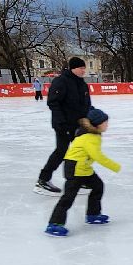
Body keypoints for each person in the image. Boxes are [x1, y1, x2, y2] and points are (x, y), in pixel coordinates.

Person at [45, 108, 120, 236]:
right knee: (68, 197)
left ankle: (93, 214)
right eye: (105, 122)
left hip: (84, 168)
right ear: (97, 124)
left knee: (98, 186)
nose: (107, 125)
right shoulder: (89, 137)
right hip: (74, 169)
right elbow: (97, 156)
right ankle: (54, 224)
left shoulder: (93, 134)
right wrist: (115, 166)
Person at [36, 57, 92, 195]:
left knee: (82, 151)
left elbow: (85, 104)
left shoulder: (82, 84)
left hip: (77, 124)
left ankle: (77, 179)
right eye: (81, 68)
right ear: (73, 68)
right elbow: (53, 102)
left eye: (84, 68)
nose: (83, 70)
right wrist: (61, 122)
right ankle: (43, 180)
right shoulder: (61, 81)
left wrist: (90, 117)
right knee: (61, 151)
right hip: (63, 125)